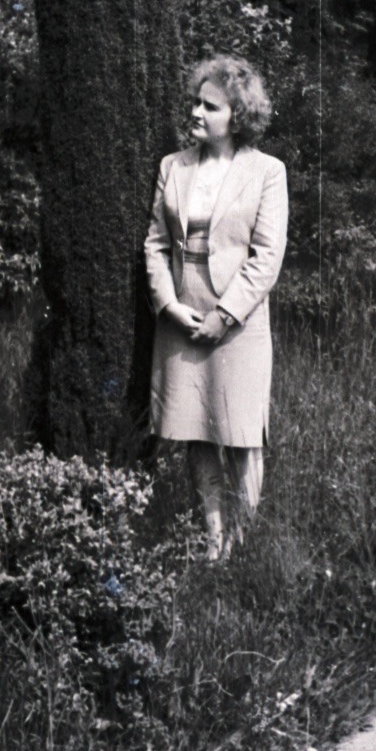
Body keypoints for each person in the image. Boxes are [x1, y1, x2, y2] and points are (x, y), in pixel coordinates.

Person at [144, 55, 288, 560]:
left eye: (210, 106)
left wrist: (224, 315)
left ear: (237, 116)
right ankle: (213, 545)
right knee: (197, 432)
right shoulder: (173, 166)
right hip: (182, 322)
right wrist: (168, 305)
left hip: (238, 326)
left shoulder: (268, 172)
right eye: (195, 102)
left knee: (243, 435)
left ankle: (245, 547)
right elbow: (157, 245)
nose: (197, 112)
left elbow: (267, 257)